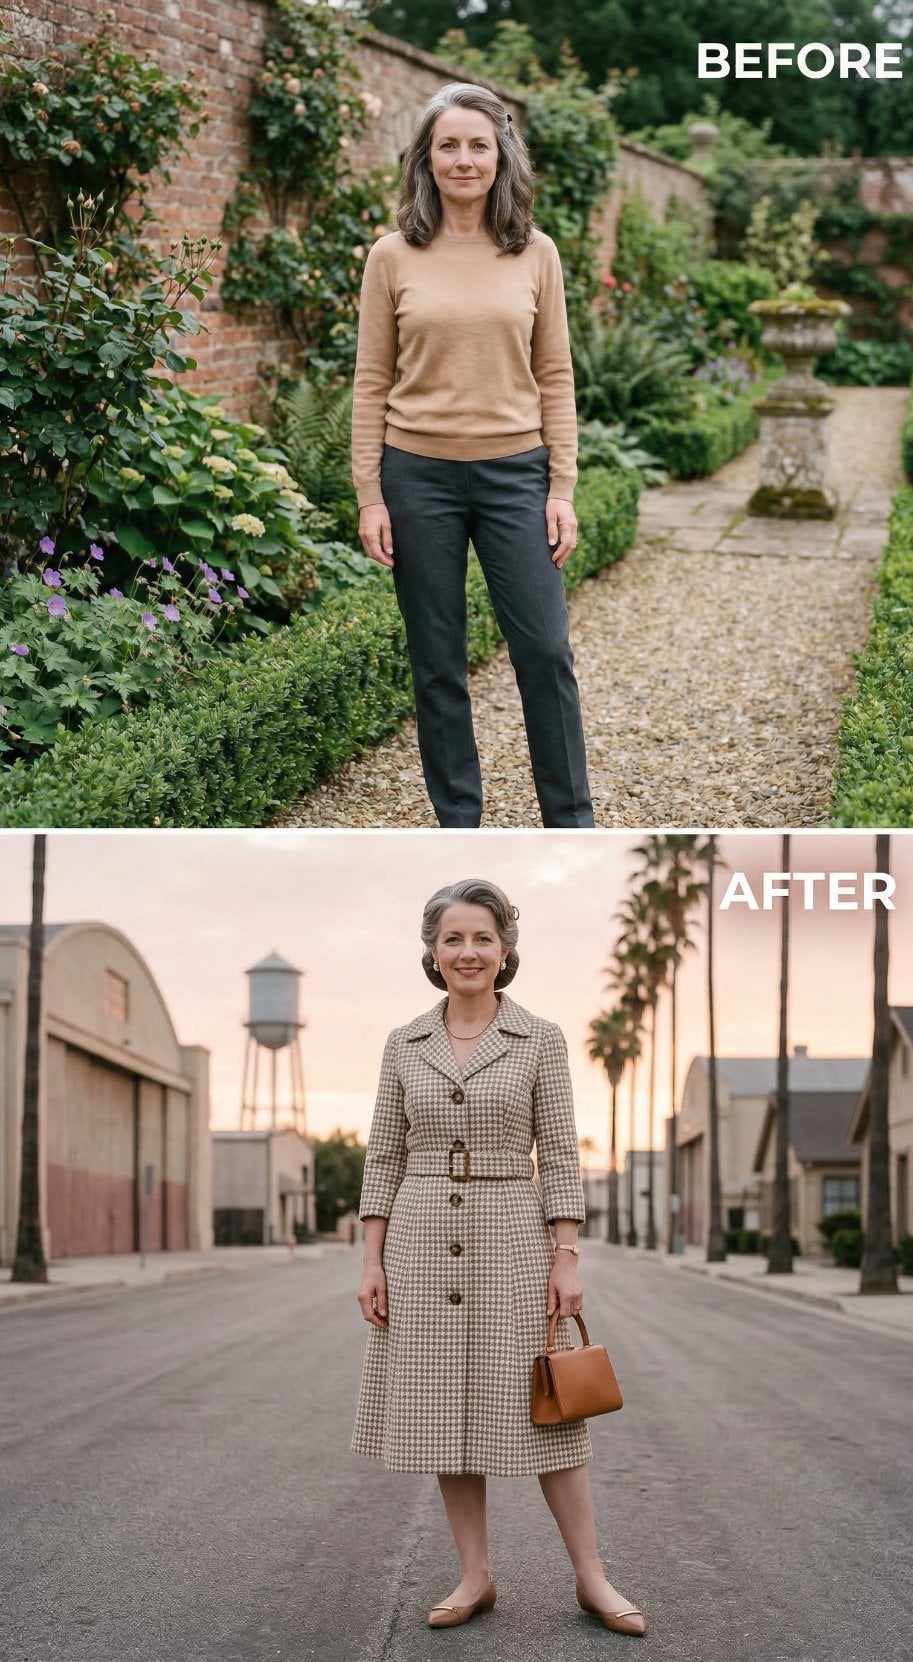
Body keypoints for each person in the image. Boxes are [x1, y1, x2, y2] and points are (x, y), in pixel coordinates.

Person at [351, 878, 646, 1635]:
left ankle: (593, 1579)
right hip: (419, 1237)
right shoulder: (402, 1043)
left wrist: (566, 1254)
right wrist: (372, 1260)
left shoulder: (539, 1038)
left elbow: (561, 1155)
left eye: (482, 937)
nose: (468, 952)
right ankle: (475, 1575)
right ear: (432, 952)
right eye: (453, 938)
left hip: (513, 1232)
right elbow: (383, 1156)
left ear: (506, 948)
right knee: (445, 1411)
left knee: (549, 1408)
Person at [351, 82, 595, 831]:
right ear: (426, 158)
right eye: (448, 145)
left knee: (546, 653)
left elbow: (555, 374)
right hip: (416, 477)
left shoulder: (536, 253)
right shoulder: (393, 256)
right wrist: (369, 492)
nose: (463, 159)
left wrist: (562, 486)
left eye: (478, 145)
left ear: (501, 156)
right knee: (438, 663)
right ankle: (458, 819)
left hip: (516, 476)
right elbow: (371, 380)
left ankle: (571, 821)